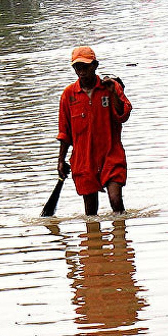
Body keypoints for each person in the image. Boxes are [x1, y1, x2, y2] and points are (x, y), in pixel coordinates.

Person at [56, 46, 133, 215]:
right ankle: (94, 240)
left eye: (85, 66)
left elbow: (123, 115)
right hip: (83, 160)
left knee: (116, 201)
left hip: (111, 155)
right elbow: (65, 132)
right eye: (77, 67)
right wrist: (61, 160)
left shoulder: (110, 87)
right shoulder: (68, 95)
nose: (81, 71)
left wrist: (113, 94)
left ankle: (120, 236)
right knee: (90, 213)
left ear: (95, 66)